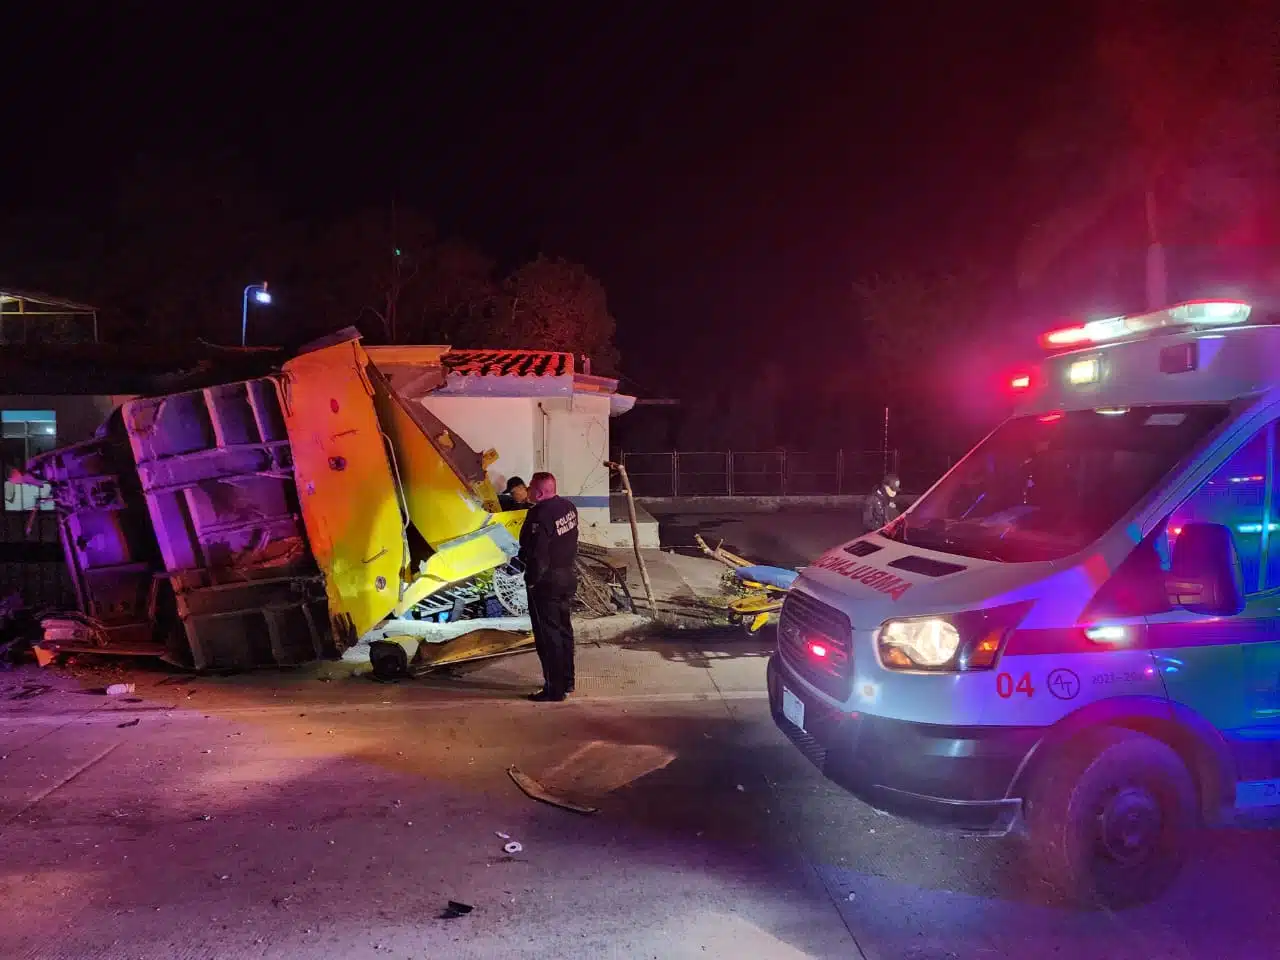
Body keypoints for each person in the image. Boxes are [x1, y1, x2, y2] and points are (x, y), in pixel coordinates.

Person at [517, 472, 579, 702]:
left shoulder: (538, 515)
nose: (528, 490)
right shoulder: (568, 507)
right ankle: (567, 680)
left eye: (531, 487)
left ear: (539, 492)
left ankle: (554, 688)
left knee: (548, 636)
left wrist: (532, 580)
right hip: (567, 576)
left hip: (546, 582)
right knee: (564, 630)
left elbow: (538, 555)